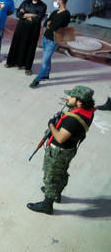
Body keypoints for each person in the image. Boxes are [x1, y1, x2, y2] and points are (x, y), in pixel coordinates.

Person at [27, 86, 96, 214]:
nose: (68, 98)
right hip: (69, 150)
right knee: (60, 173)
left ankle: (47, 205)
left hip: (58, 152)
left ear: (80, 102)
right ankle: (56, 194)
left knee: (51, 176)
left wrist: (51, 124)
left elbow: (60, 138)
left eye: (71, 97)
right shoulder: (87, 112)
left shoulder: (72, 120)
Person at [30, 0, 71, 88]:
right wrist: (49, 24)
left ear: (60, 1)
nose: (55, 2)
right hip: (45, 37)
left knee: (44, 60)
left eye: (56, 0)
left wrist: (50, 24)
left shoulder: (66, 14)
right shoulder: (55, 12)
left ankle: (37, 79)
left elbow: (54, 27)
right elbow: (46, 23)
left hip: (53, 40)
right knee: (46, 58)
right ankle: (46, 74)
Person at [5, 0, 47, 74]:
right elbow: (18, 14)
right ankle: (11, 62)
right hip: (21, 28)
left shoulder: (43, 6)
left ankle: (27, 67)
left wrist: (25, 15)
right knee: (16, 44)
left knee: (30, 48)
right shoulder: (25, 2)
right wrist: (31, 15)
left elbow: (38, 19)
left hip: (33, 30)